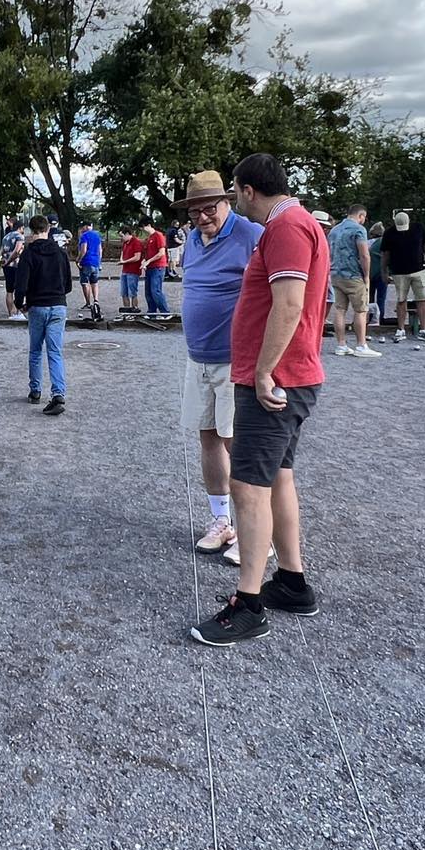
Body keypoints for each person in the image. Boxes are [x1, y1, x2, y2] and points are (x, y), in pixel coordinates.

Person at [190, 154, 330, 647]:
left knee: (248, 487)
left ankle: (248, 605)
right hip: (286, 376)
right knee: (278, 478)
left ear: (248, 190)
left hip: (273, 381)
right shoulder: (296, 223)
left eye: (235, 191)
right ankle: (291, 582)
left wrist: (265, 370)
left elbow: (289, 303)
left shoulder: (286, 227)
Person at [174, 171, 263, 564]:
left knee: (237, 445)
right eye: (194, 211)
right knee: (208, 438)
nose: (202, 217)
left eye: (209, 208)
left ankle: (255, 532)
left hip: (236, 359)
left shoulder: (250, 234)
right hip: (199, 357)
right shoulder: (193, 239)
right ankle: (221, 521)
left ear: (227, 202)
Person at [14, 214, 72, 415]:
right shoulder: (60, 252)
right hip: (58, 305)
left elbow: (20, 284)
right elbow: (68, 285)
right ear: (48, 229)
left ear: (31, 231)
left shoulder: (29, 253)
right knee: (55, 352)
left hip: (37, 306)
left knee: (36, 351)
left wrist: (20, 304)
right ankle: (58, 394)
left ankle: (35, 391)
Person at [327, 204, 381, 359]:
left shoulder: (334, 230)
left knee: (340, 310)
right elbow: (364, 255)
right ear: (361, 215)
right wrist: (366, 275)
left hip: (336, 274)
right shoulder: (359, 230)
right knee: (360, 310)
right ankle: (361, 345)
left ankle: (341, 345)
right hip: (353, 275)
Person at [381, 211, 425, 342]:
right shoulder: (389, 233)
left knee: (423, 299)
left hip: (419, 270)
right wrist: (384, 272)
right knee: (401, 300)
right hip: (399, 272)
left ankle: (424, 330)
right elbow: (385, 255)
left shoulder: (419, 228)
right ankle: (400, 330)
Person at [140, 216, 170, 318]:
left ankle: (165, 312)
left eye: (143, 227)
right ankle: (151, 312)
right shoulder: (149, 238)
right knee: (148, 291)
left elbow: (161, 253)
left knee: (155, 290)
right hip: (150, 267)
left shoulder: (158, 235)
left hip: (158, 267)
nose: (143, 230)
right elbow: (148, 253)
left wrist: (148, 261)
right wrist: (145, 260)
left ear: (148, 225)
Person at [0, 220, 27, 319]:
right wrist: (9, 260)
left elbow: (1, 250)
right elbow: (17, 250)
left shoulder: (6, 236)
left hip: (6, 266)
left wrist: (2, 261)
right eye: (23, 228)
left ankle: (10, 314)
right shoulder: (19, 236)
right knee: (19, 288)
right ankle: (18, 312)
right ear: (20, 227)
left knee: (9, 289)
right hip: (16, 264)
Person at [77, 222, 103, 316]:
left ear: (84, 227)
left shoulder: (84, 236)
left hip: (86, 262)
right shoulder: (97, 235)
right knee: (94, 283)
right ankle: (96, 301)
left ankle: (88, 303)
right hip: (95, 262)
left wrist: (78, 260)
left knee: (85, 283)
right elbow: (100, 250)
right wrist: (99, 261)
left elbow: (83, 250)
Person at [119, 224, 142, 312]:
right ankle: (127, 311)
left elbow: (137, 257)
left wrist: (125, 261)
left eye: (122, 236)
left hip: (133, 271)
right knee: (124, 292)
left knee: (132, 292)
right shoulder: (125, 243)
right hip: (125, 270)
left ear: (127, 234)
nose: (121, 238)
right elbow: (122, 253)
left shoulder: (136, 242)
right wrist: (122, 259)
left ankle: (134, 309)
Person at [367, 221, 387, 324]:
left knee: (369, 297)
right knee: (381, 298)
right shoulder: (384, 243)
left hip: (369, 274)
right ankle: (380, 318)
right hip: (382, 273)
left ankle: (369, 318)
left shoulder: (367, 243)